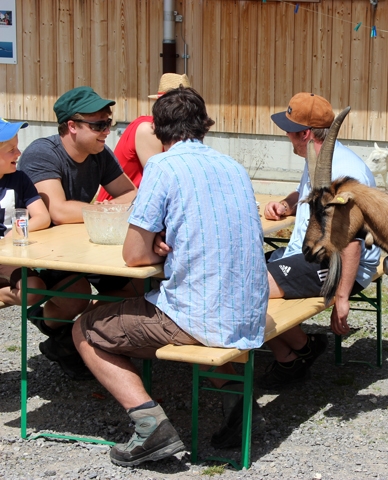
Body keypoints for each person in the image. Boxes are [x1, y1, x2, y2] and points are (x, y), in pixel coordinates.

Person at [72, 86, 269, 467]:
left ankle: (149, 425)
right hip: (247, 310)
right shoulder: (233, 166)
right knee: (191, 303)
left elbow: (133, 255)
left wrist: (153, 241)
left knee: (85, 328)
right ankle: (239, 409)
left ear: (158, 131)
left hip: (203, 314)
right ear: (204, 126)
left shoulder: (163, 166)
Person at [260, 92, 380, 390]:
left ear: (305, 134)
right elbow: (308, 195)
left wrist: (341, 299)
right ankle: (300, 348)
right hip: (312, 254)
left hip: (339, 262)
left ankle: (297, 353)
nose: (286, 135)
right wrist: (287, 205)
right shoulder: (318, 155)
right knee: (242, 273)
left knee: (246, 287)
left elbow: (351, 240)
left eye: (289, 129)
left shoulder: (341, 171)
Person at [18, 86, 138, 380]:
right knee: (76, 296)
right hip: (46, 249)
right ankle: (53, 325)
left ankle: (67, 340)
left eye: (109, 123)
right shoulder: (42, 153)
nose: (106, 131)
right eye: (98, 125)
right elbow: (58, 212)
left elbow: (131, 193)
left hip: (87, 242)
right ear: (71, 126)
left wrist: (95, 210)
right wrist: (105, 209)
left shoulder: (99, 152)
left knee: (136, 289)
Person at [96, 73, 192, 201]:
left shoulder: (172, 132)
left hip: (143, 204)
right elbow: (160, 180)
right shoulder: (148, 129)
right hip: (121, 208)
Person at [0, 119, 51, 307]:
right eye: (11, 149)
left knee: (34, 289)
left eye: (18, 147)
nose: (19, 153)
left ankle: (4, 294)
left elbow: (42, 217)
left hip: (8, 256)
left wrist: (14, 233)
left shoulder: (20, 178)